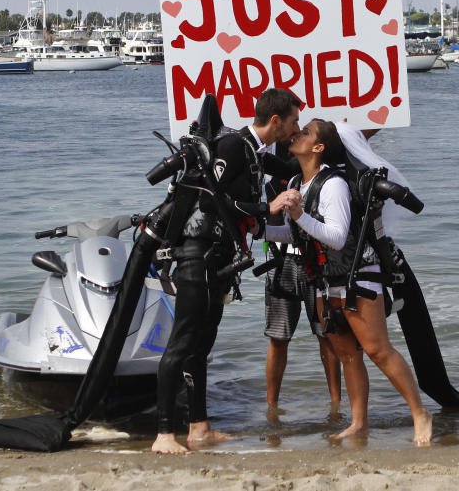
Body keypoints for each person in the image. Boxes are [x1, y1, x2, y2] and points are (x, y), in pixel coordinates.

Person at [151, 88, 303, 455]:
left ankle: (199, 428)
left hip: (218, 261)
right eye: (295, 122)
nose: (296, 129)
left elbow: (292, 167)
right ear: (276, 120)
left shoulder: (255, 154)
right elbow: (212, 197)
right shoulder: (236, 146)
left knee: (200, 346)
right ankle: (163, 435)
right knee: (181, 344)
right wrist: (267, 208)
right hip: (196, 255)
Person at [264, 119, 433, 445]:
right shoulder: (299, 181)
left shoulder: (334, 185)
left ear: (318, 148)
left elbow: (338, 238)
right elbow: (298, 233)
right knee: (348, 356)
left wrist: (298, 215)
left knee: (378, 351)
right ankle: (359, 423)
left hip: (358, 278)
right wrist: (261, 231)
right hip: (325, 281)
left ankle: (420, 414)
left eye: (307, 132)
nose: (296, 134)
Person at [263, 140, 342, 416]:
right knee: (278, 338)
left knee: (326, 336)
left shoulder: (322, 170)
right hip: (281, 258)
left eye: (300, 130)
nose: (295, 134)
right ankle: (271, 407)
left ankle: (336, 406)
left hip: (313, 261)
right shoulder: (266, 155)